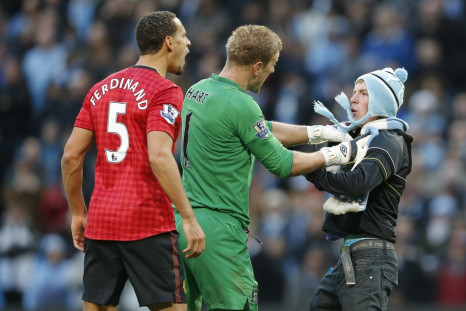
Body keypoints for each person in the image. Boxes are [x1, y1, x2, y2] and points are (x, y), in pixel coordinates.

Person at [174, 24, 367, 311]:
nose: (273, 72)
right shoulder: (242, 104)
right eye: (272, 64)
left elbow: (258, 129)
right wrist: (338, 153)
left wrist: (319, 133)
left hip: (184, 224)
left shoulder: (198, 91)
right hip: (219, 231)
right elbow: (281, 163)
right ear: (257, 66)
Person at [61, 11, 205, 311]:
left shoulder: (100, 89)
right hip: (148, 223)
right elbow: (159, 155)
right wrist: (189, 219)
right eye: (183, 36)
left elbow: (71, 156)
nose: (188, 43)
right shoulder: (164, 91)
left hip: (102, 223)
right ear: (168, 42)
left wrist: (77, 213)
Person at [305, 67, 413, 311]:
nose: (353, 98)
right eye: (354, 91)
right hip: (351, 255)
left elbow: (358, 183)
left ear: (382, 101)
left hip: (371, 257)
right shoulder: (360, 138)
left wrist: (314, 172)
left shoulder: (390, 139)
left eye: (363, 93)